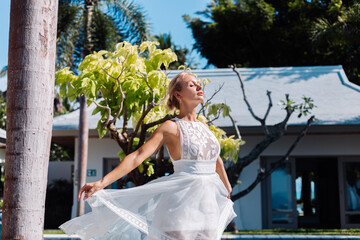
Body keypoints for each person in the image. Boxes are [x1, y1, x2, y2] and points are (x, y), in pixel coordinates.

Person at [60, 72, 237, 240]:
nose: (199, 87)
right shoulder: (170, 127)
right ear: (178, 95)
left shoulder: (205, 127)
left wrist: (227, 186)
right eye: (192, 85)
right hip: (181, 204)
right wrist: (102, 183)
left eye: (199, 84)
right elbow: (138, 156)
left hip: (208, 204)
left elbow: (216, 159)